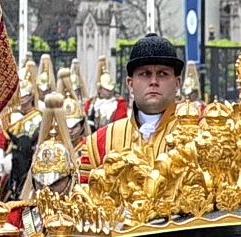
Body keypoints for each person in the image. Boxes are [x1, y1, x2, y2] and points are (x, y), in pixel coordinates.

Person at [77, 34, 184, 175]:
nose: (154, 81)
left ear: (177, 83)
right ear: (130, 84)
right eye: (145, 74)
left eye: (162, 74)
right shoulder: (98, 143)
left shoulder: (199, 137)